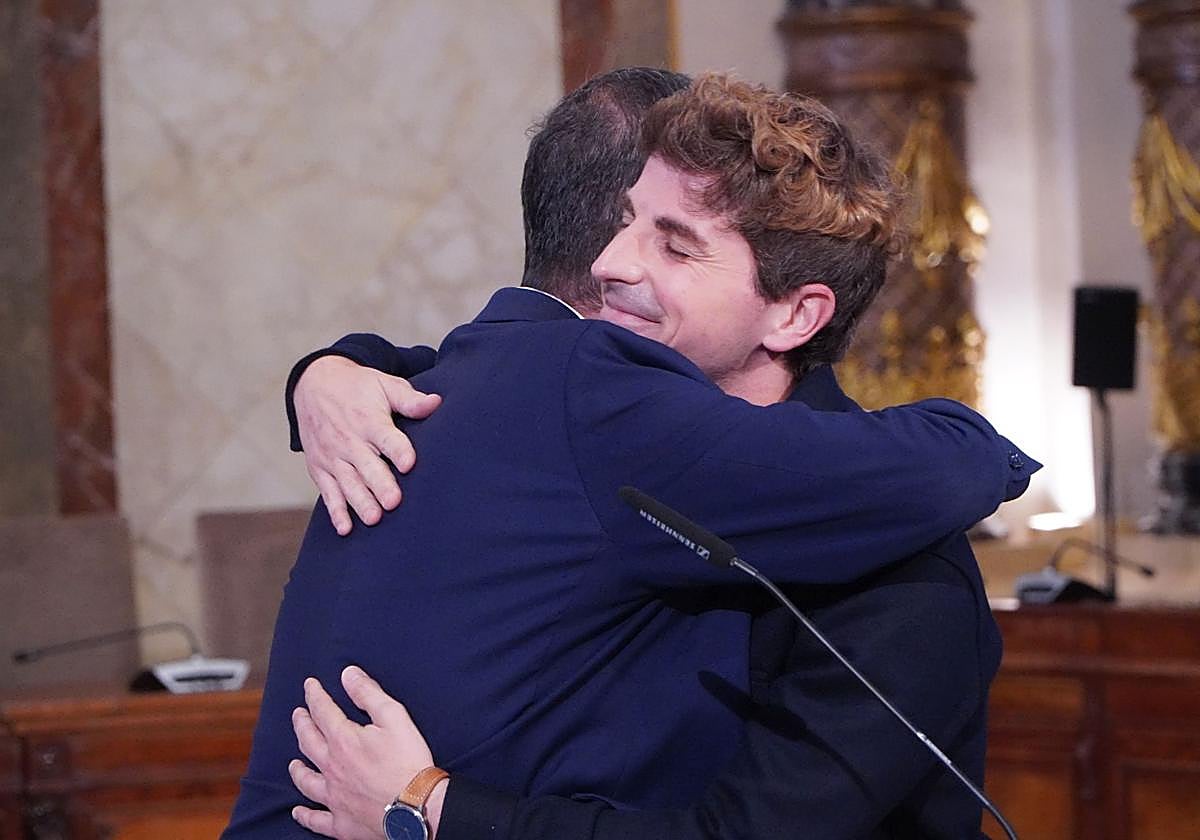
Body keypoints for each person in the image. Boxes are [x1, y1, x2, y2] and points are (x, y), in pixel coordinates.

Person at [225, 70, 1034, 839]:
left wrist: (431, 809)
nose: (610, 265)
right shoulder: (573, 417)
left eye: (676, 247)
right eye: (624, 222)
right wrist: (333, 370)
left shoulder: (901, 566)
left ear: (794, 316)